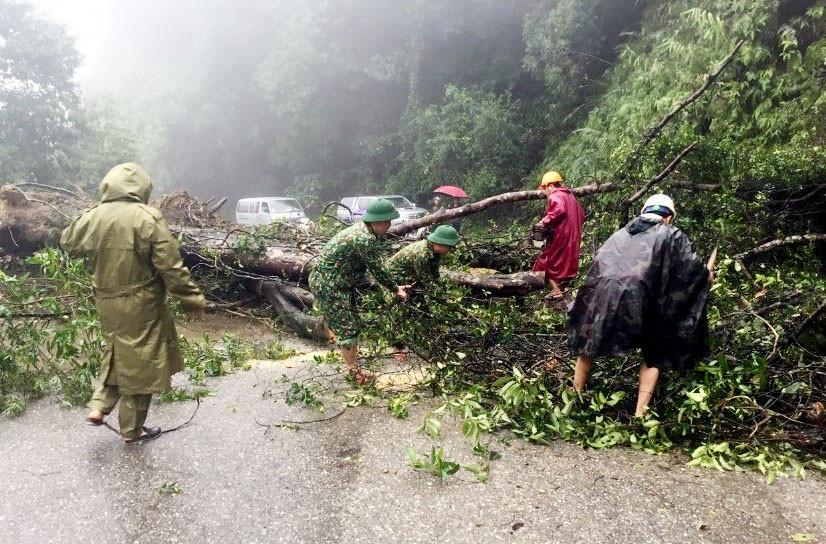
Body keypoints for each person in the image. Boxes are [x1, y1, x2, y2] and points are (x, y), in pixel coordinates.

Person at [60, 163, 206, 444]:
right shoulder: (147, 218)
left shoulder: (93, 217)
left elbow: (67, 240)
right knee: (142, 363)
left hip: (106, 302)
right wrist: (192, 296)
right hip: (142, 304)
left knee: (115, 350)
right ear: (142, 188)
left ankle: (99, 405)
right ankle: (132, 430)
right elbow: (171, 266)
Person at [567, 194, 712, 417]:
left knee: (588, 345)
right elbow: (690, 269)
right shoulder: (671, 233)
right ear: (669, 217)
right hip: (639, 299)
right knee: (654, 351)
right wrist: (705, 277)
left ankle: (573, 399)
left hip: (600, 296)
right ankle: (639, 416)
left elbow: (597, 268)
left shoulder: (620, 233)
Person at [309, 199, 409, 383]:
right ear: (378, 222)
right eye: (387, 223)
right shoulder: (364, 238)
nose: (388, 226)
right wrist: (395, 289)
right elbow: (378, 269)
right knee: (349, 327)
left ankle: (353, 366)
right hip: (329, 285)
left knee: (353, 323)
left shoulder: (364, 232)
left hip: (338, 283)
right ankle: (351, 371)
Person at [386, 225, 460, 360]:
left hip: (413, 279)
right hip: (397, 280)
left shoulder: (435, 252)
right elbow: (426, 280)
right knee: (401, 314)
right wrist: (443, 300)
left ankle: (434, 344)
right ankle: (398, 347)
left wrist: (444, 292)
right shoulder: (421, 254)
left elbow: (435, 275)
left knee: (424, 312)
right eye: (449, 246)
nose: (450, 249)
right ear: (439, 243)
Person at [532, 170, 585, 306]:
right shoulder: (571, 197)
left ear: (550, 185)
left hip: (561, 236)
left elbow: (558, 210)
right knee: (565, 265)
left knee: (544, 262)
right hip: (573, 238)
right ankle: (559, 291)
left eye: (544, 188)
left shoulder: (555, 196)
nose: (545, 193)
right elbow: (582, 215)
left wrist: (543, 222)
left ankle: (556, 291)